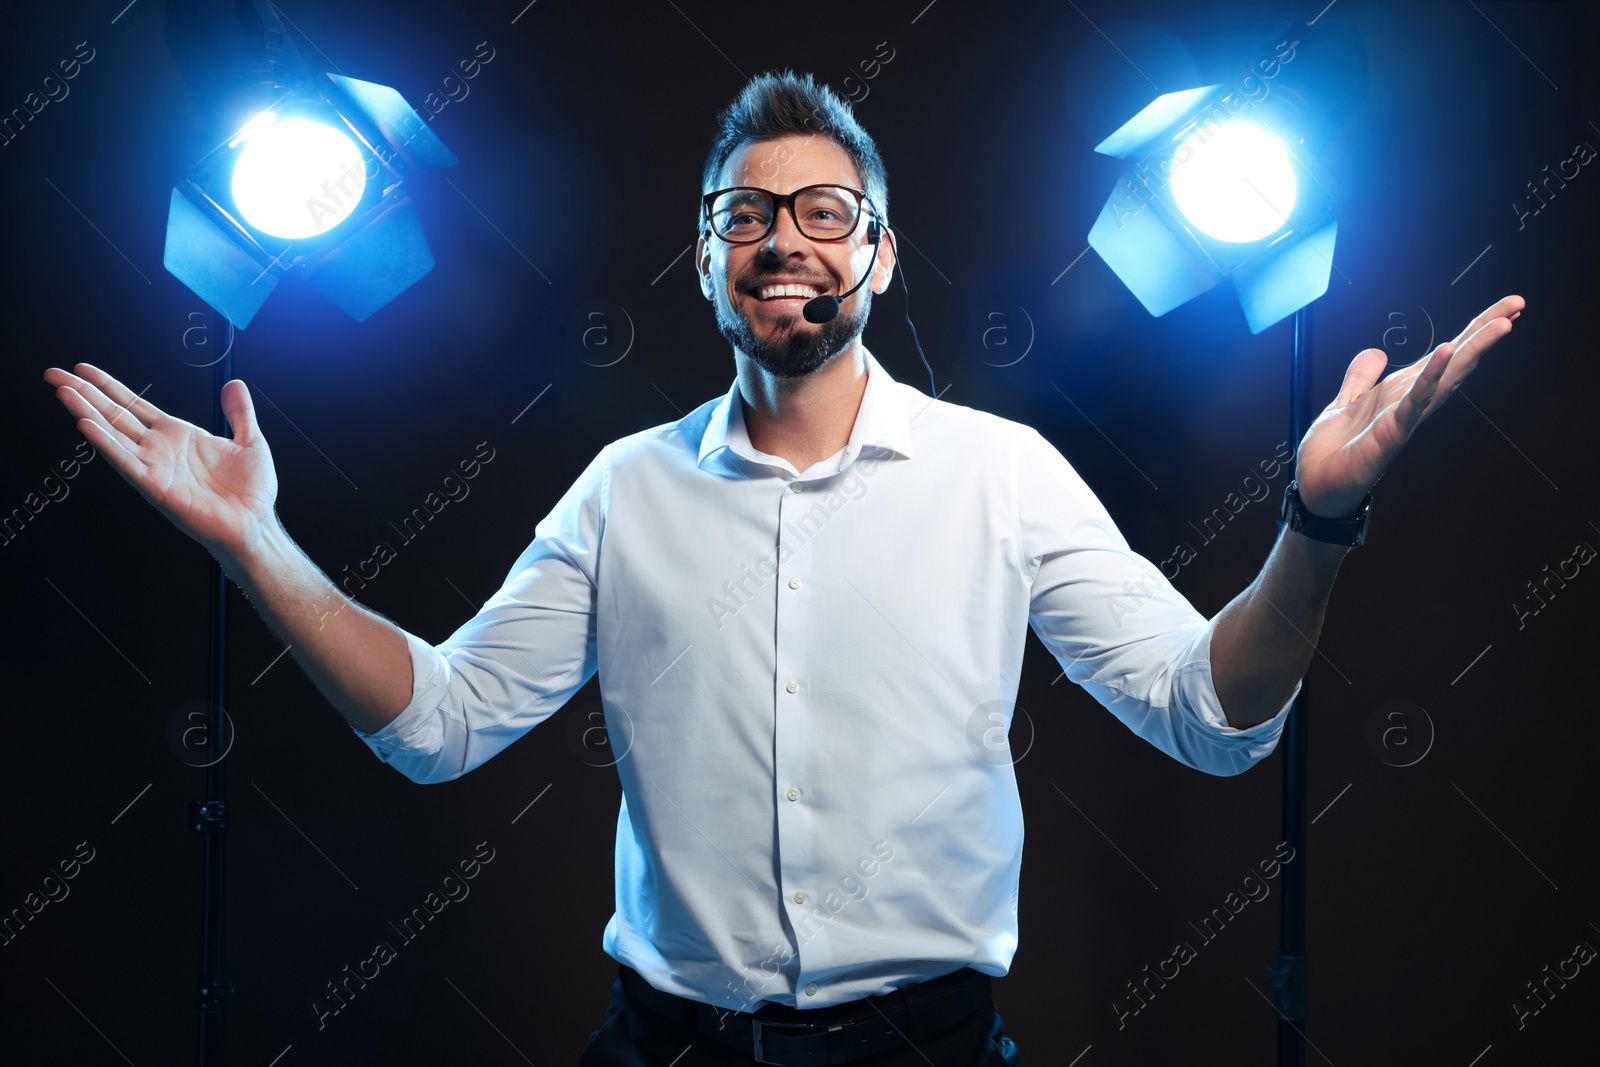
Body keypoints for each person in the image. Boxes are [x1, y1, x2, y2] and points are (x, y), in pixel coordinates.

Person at [43, 70, 1521, 1066]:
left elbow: (1212, 716)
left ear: (879, 254)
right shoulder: (625, 491)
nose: (782, 240)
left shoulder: (997, 475)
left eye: (823, 213)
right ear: (702, 261)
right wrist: (255, 539)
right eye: (743, 214)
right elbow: (440, 725)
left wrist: (1318, 523)